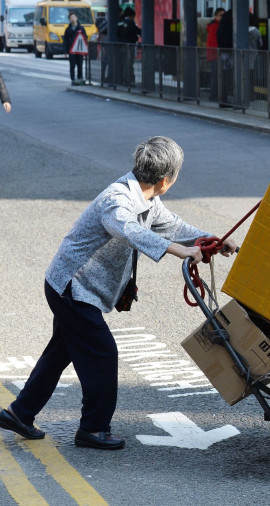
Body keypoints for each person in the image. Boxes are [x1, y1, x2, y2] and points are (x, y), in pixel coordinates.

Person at [0, 136, 238, 450]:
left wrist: (213, 240)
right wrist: (179, 251)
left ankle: (20, 412)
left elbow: (175, 227)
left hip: (78, 288)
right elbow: (128, 229)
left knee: (62, 351)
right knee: (102, 354)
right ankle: (93, 429)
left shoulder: (149, 201)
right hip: (71, 287)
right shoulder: (118, 199)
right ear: (166, 181)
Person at [116, 7, 141, 86]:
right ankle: (128, 81)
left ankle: (122, 80)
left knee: (123, 63)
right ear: (131, 15)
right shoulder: (131, 23)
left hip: (121, 46)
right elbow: (137, 32)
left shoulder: (120, 22)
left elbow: (117, 33)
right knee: (129, 64)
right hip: (129, 46)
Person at [62, 13, 87, 86]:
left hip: (79, 49)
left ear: (76, 18)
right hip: (71, 50)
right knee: (72, 65)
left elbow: (85, 39)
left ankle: (80, 78)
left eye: (73, 17)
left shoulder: (81, 28)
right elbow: (65, 40)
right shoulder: (68, 29)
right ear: (69, 19)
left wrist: (85, 50)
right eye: (71, 18)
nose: (72, 19)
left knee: (80, 64)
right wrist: (65, 51)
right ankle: (73, 79)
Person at [206, 7, 225, 101]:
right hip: (215, 54)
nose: (223, 17)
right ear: (216, 16)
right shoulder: (215, 27)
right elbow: (215, 42)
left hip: (214, 54)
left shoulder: (213, 25)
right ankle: (213, 96)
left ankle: (215, 95)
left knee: (216, 75)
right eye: (221, 15)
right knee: (216, 76)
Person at [248, 12, 263, 100]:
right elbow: (260, 43)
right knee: (252, 78)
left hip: (242, 58)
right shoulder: (256, 31)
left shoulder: (240, 30)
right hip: (253, 57)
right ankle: (252, 95)